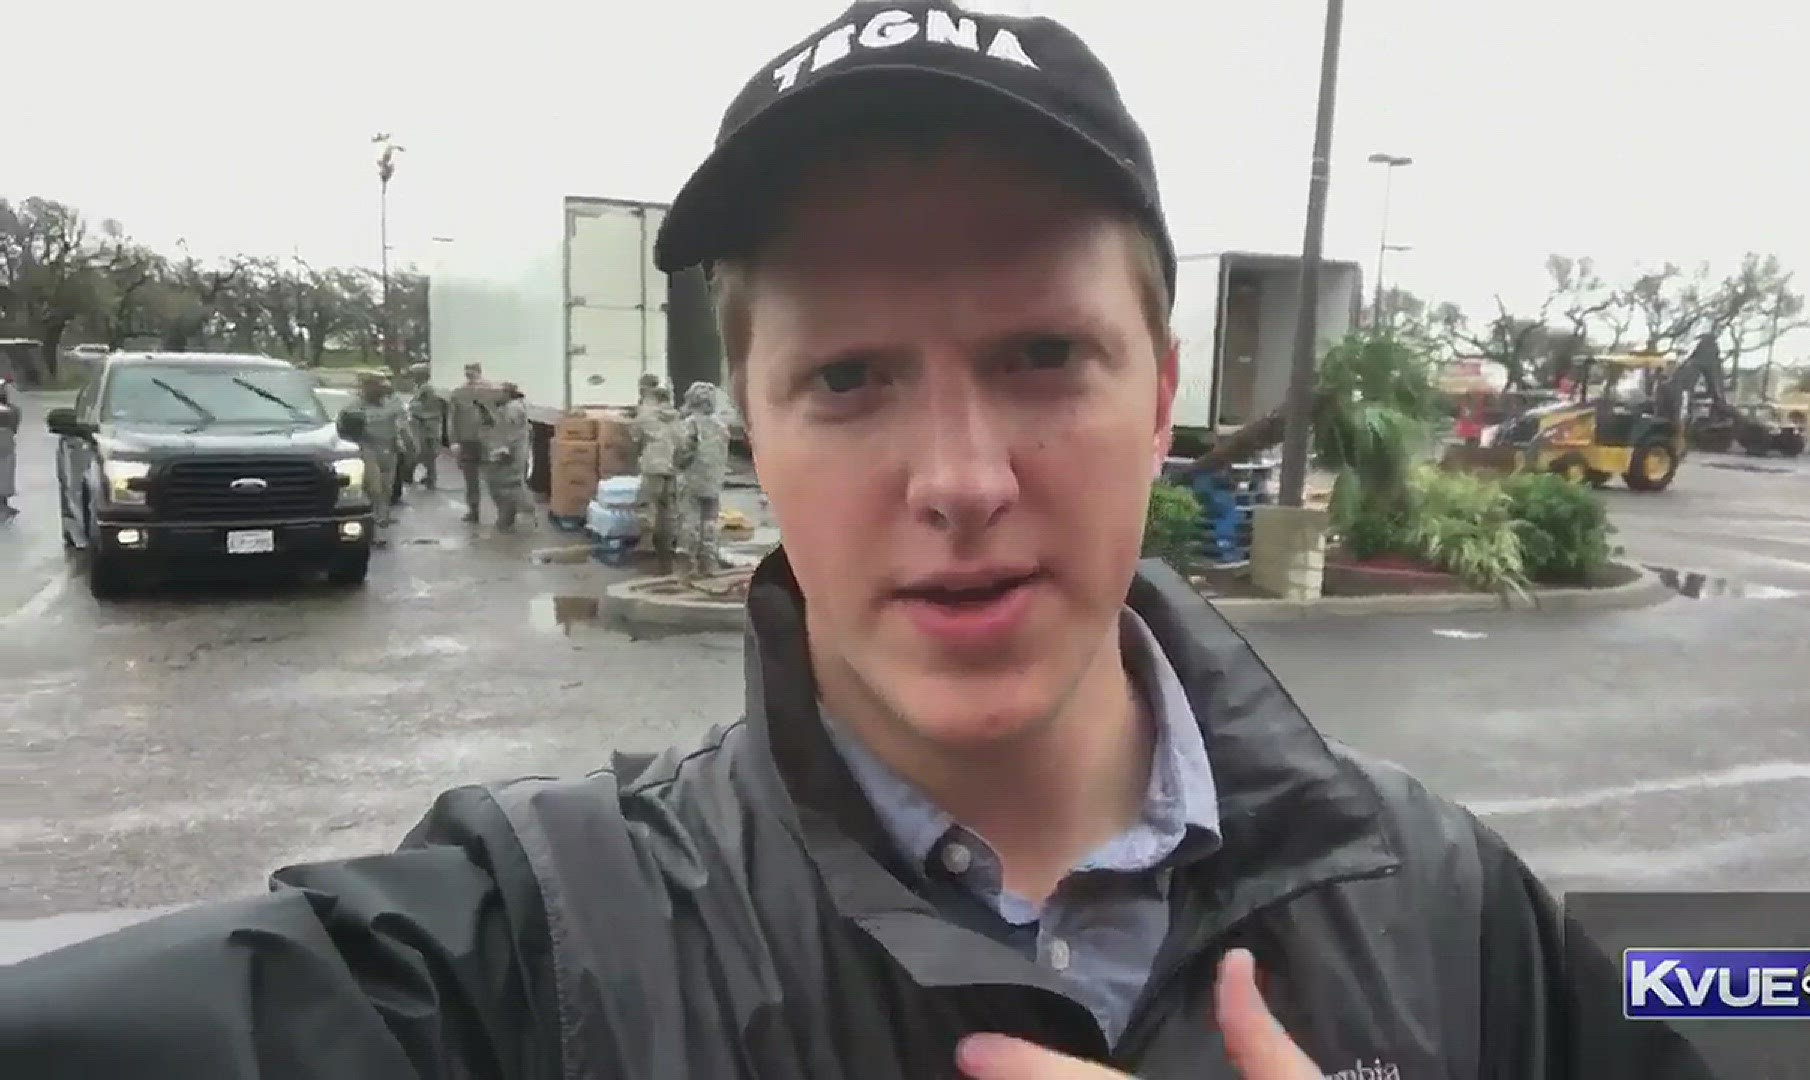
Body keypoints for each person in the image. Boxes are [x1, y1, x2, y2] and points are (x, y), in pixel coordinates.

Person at [0, 5, 1712, 1079]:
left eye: (1043, 355)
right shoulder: (544, 961)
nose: (960, 477)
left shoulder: (1453, 917)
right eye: (850, 378)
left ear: (1164, 387)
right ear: (751, 415)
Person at [673, 380, 728, 578]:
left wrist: (678, 466)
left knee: (689, 521)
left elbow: (682, 453)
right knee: (710, 522)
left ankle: (686, 564)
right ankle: (709, 562)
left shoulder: (690, 424)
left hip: (692, 480)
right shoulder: (721, 427)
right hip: (713, 481)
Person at [343, 372, 406, 547]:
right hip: (367, 448)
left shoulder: (393, 404)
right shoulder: (354, 407)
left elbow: (401, 426)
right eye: (374, 385)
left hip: (388, 449)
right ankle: (376, 530)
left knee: (387, 488)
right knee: (374, 488)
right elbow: (344, 431)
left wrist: (406, 445)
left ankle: (382, 520)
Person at [634, 381, 680, 563]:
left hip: (652, 466)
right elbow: (682, 442)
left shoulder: (646, 415)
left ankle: (646, 543)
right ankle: (668, 543)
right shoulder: (676, 417)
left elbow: (635, 435)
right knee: (668, 507)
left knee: (648, 504)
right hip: (671, 467)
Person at [481, 380, 532, 531]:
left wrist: (502, 451)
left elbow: (508, 432)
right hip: (514, 452)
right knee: (509, 486)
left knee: (504, 487)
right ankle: (512, 518)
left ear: (506, 394)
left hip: (510, 454)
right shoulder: (513, 406)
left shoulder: (512, 408)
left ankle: (508, 521)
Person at [447, 362, 493, 523]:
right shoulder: (458, 393)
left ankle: (505, 512)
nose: (471, 376)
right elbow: (451, 419)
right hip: (467, 440)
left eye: (473, 373)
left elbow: (501, 417)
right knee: (471, 479)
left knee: (495, 478)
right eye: (468, 373)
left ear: (480, 372)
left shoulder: (492, 392)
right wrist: (453, 441)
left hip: (488, 441)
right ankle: (474, 510)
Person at [405, 363, 450, 489]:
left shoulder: (426, 389)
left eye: (414, 375)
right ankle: (429, 476)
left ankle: (429, 477)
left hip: (427, 423)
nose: (412, 378)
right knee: (425, 451)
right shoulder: (421, 388)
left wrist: (414, 410)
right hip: (424, 423)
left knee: (425, 451)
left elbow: (427, 407)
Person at [0, 379, 19, 520]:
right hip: (6, 440)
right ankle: (3, 504)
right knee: (6, 471)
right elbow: (14, 427)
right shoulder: (12, 410)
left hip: (6, 441)